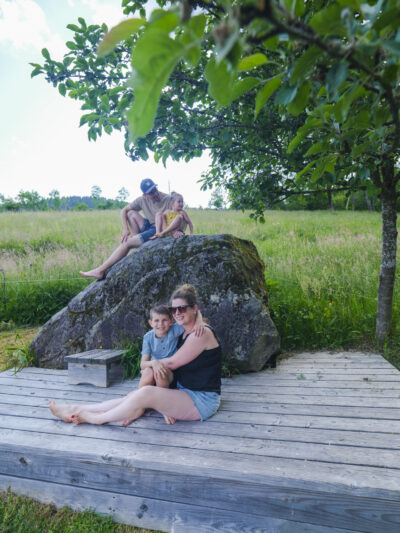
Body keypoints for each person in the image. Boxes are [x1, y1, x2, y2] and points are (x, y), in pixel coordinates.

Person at [49, 284, 222, 425]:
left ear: (194, 308)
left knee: (145, 393)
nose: (177, 313)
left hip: (201, 400)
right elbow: (190, 316)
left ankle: (97, 419)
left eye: (182, 308)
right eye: (173, 309)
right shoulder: (184, 330)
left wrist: (152, 364)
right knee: (133, 396)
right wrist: (198, 317)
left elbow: (171, 364)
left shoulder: (201, 334)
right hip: (184, 391)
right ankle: (75, 408)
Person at [79, 179, 170, 280]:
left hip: (159, 229)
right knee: (130, 213)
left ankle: (100, 271)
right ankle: (136, 241)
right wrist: (125, 229)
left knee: (127, 243)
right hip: (149, 225)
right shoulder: (142, 200)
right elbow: (123, 210)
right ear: (145, 195)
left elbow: (180, 215)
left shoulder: (168, 199)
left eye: (155, 189)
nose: (155, 193)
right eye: (151, 193)